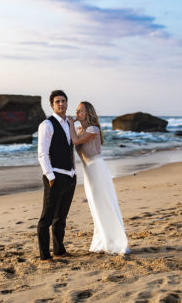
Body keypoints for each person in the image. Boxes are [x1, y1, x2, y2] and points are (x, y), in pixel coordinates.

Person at [67, 101, 129, 255]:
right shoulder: (80, 129)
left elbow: (75, 141)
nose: (77, 114)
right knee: (95, 206)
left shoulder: (92, 129)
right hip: (89, 172)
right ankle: (102, 241)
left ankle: (113, 242)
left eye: (80, 111)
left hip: (98, 170)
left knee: (104, 204)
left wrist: (70, 124)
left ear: (88, 113)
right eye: (76, 111)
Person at [37, 90, 77, 261]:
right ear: (52, 105)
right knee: (47, 218)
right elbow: (42, 153)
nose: (61, 104)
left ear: (67, 103)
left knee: (61, 217)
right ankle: (45, 256)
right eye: (57, 101)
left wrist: (74, 173)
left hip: (70, 176)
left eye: (63, 101)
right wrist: (50, 176)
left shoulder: (69, 123)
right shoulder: (47, 125)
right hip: (55, 177)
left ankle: (59, 250)